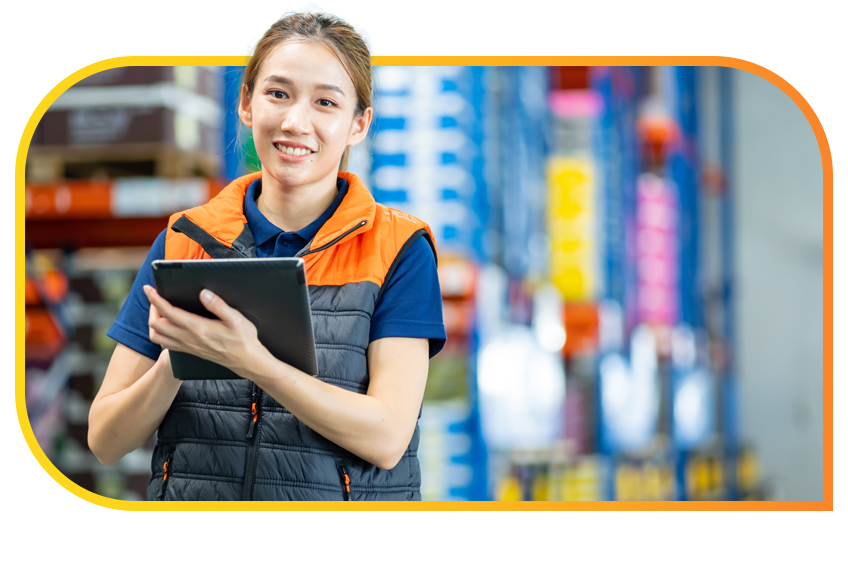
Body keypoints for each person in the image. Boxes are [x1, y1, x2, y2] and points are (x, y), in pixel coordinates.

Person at [87, 12, 445, 501]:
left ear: (358, 124)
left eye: (325, 102)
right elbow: (106, 440)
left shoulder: (397, 249)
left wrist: (255, 361)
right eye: (278, 94)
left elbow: (386, 437)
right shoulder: (186, 239)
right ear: (246, 103)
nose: (296, 122)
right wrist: (181, 357)